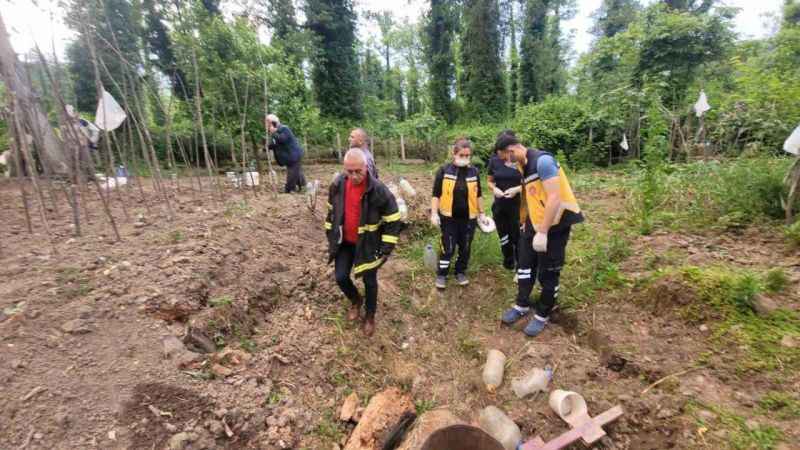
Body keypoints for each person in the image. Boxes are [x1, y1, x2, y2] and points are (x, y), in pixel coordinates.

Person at [496, 133, 584, 337]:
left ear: (512, 150)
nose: (505, 162)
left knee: (548, 272)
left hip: (555, 225)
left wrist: (543, 232)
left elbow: (554, 197)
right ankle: (522, 305)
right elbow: (534, 190)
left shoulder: (543, 161)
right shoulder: (522, 164)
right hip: (532, 223)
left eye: (505, 158)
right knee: (525, 265)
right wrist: (520, 197)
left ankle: (543, 314)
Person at [325, 148, 402, 336]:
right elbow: (331, 213)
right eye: (349, 171)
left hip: (368, 244)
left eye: (357, 171)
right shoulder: (337, 185)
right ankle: (356, 300)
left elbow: (393, 219)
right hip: (345, 243)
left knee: (370, 281)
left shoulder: (378, 190)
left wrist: (386, 248)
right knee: (341, 277)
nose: (354, 176)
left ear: (366, 167)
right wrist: (331, 235)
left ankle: (370, 315)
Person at [430, 138, 487, 289]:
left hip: (469, 219)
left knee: (465, 247)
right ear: (454, 154)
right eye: (462, 155)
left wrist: (482, 213)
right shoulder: (444, 170)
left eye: (468, 155)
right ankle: (442, 274)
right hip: (449, 218)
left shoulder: (473, 172)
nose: (465, 158)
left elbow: (479, 194)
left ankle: (460, 272)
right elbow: (436, 194)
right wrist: (434, 213)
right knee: (447, 247)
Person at [487, 131, 523, 271]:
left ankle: (521, 265)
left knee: (518, 236)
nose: (500, 155)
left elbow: (529, 183)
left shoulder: (520, 161)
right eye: (498, 152)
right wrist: (494, 189)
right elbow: (489, 181)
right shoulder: (494, 160)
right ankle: (508, 261)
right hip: (499, 206)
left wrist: (516, 189)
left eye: (502, 152)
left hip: (517, 206)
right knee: (503, 235)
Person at [266, 113, 306, 193]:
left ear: (273, 123)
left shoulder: (284, 129)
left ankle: (289, 189)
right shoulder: (275, 132)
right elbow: (276, 144)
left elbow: (282, 139)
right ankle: (304, 186)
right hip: (289, 157)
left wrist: (274, 133)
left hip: (294, 155)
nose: (267, 125)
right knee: (296, 172)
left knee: (292, 173)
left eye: (268, 123)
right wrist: (268, 146)